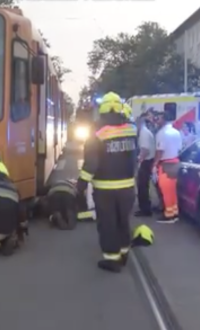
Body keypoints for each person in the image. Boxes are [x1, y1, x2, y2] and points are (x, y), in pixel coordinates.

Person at [76, 92, 139, 273]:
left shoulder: (97, 132)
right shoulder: (132, 129)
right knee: (123, 222)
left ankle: (112, 260)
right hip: (127, 187)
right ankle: (124, 252)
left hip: (105, 189)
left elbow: (91, 164)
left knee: (108, 224)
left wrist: (81, 185)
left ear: (102, 109)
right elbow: (135, 155)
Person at [152, 111, 183, 223]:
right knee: (172, 191)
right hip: (175, 162)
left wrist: (154, 165)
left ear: (164, 119)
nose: (156, 121)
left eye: (158, 118)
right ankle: (174, 213)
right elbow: (179, 148)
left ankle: (169, 215)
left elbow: (160, 151)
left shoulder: (161, 133)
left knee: (166, 191)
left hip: (165, 164)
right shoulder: (176, 132)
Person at [135, 113, 156, 217]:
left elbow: (145, 150)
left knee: (142, 186)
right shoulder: (145, 132)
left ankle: (145, 209)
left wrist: (139, 160)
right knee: (144, 186)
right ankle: (145, 207)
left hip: (146, 162)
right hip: (148, 161)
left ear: (140, 123)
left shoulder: (143, 133)